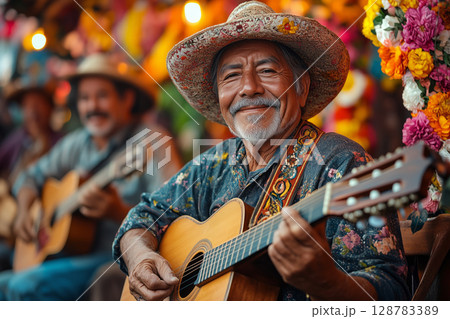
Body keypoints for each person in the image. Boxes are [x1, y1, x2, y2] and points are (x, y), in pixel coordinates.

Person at [113, 1, 409, 301]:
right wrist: (139, 257)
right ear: (220, 96)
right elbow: (143, 216)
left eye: (267, 70)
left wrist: (327, 283)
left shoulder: (343, 164)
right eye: (231, 76)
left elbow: (389, 294)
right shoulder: (215, 163)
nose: (249, 88)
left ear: (301, 87)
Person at [0, 53, 182, 300]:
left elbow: (175, 215)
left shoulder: (152, 141)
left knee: (20, 287)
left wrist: (120, 212)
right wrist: (24, 209)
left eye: (102, 96)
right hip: (69, 256)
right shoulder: (77, 143)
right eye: (85, 98)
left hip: (116, 258)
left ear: (127, 99)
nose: (92, 106)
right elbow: (32, 176)